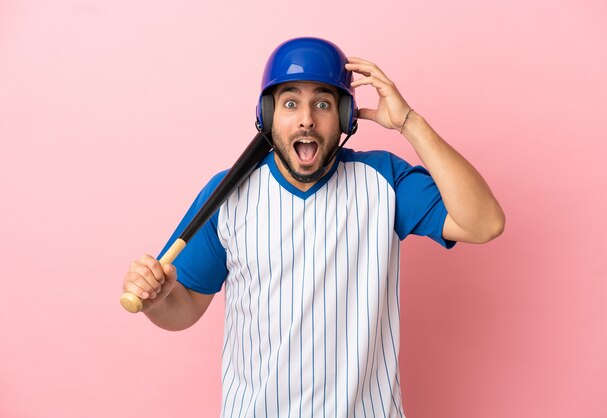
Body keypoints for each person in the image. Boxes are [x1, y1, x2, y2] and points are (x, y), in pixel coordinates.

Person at [122, 37, 505, 417]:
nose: (306, 118)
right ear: (268, 116)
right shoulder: (228, 193)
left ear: (344, 116)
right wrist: (159, 300)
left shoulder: (385, 179)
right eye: (290, 103)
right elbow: (183, 310)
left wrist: (409, 123)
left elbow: (484, 223)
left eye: (323, 103)